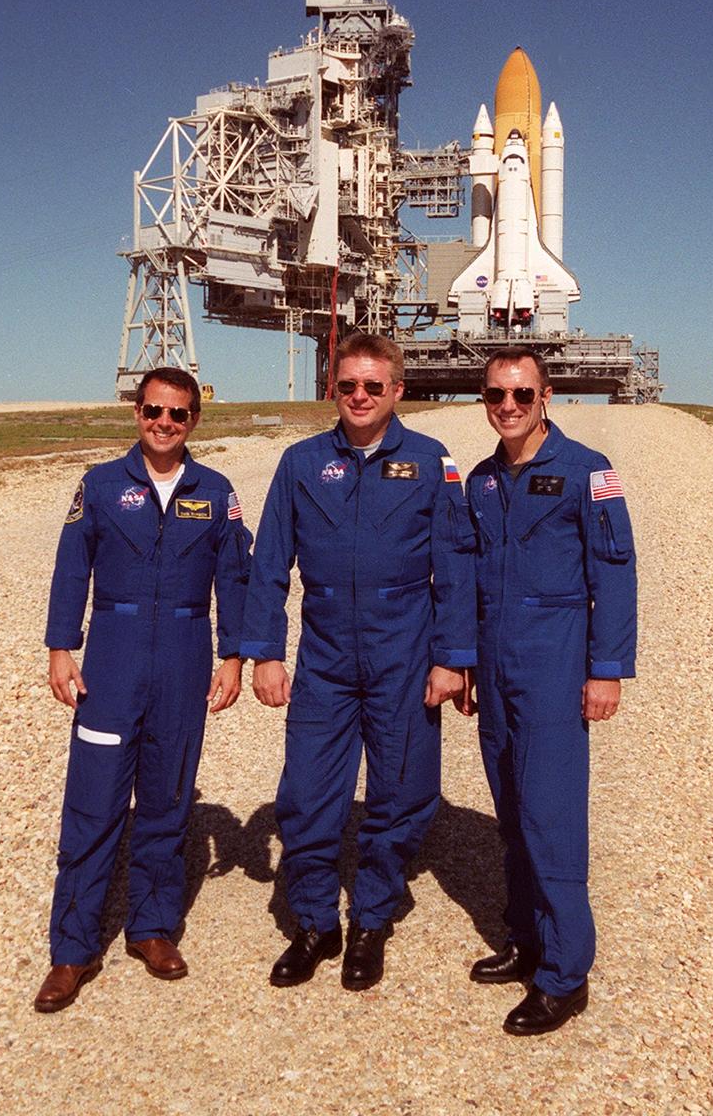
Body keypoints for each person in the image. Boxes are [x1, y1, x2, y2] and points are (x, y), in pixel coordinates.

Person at [241, 333, 476, 991]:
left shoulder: (431, 462)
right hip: (326, 656)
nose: (361, 397)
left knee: (403, 791)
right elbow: (269, 566)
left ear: (398, 390)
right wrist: (263, 653)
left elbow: (456, 567)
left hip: (404, 650)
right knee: (309, 794)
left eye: (375, 385)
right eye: (349, 386)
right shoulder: (301, 463)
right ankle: (316, 923)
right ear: (333, 390)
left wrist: (453, 658)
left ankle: (371, 918)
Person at [34, 368, 252, 1012]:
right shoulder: (100, 486)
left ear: (194, 421)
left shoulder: (215, 492)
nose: (164, 423)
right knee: (94, 805)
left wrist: (233, 655)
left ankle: (152, 928)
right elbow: (71, 566)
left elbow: (234, 578)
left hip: (185, 656)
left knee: (166, 800)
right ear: (136, 412)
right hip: (114, 654)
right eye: (154, 410)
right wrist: (59, 648)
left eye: (178, 414)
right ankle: (72, 950)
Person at [463, 348, 636, 1036]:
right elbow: (469, 579)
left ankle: (565, 974)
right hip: (496, 662)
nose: (508, 407)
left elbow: (615, 574)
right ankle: (526, 939)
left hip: (556, 659)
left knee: (551, 817)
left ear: (546, 396)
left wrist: (606, 669)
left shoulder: (587, 471)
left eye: (521, 395)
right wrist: (466, 662)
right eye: (497, 396)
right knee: (511, 807)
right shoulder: (479, 481)